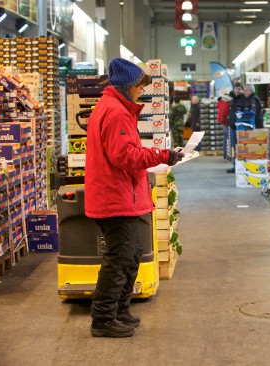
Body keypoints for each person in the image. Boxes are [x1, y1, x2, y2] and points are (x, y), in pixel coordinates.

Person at [85, 57, 184, 338]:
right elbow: (124, 156)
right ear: (128, 86)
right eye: (140, 87)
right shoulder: (115, 111)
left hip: (120, 197)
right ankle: (103, 318)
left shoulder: (116, 108)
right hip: (114, 199)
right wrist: (162, 155)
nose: (142, 92)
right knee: (118, 259)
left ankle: (119, 310)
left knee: (130, 257)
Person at [226, 82, 245, 173]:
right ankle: (235, 165)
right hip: (233, 126)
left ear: (242, 90)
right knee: (234, 147)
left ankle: (240, 166)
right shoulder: (234, 99)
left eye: (239, 88)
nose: (237, 90)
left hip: (240, 127)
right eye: (236, 88)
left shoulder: (243, 99)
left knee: (240, 147)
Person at [217, 93, 232, 159]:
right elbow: (226, 112)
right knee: (228, 137)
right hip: (226, 121)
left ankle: (225, 155)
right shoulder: (229, 101)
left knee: (226, 138)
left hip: (222, 121)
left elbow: (217, 106)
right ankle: (227, 155)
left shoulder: (222, 100)